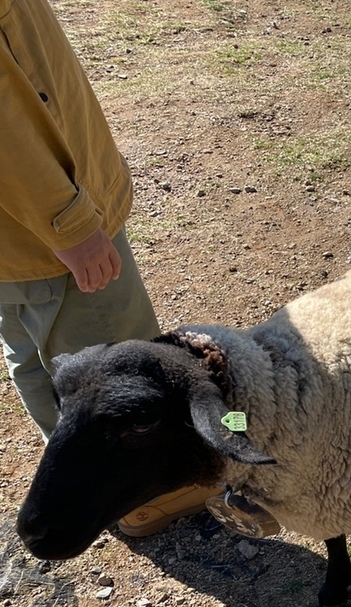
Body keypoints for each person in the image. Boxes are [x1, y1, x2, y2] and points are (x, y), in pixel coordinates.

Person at [1, 0, 216, 536]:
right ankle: (148, 498)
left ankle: (75, 472)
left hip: (14, 239)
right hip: (44, 230)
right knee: (119, 373)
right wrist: (70, 224)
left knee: (35, 358)